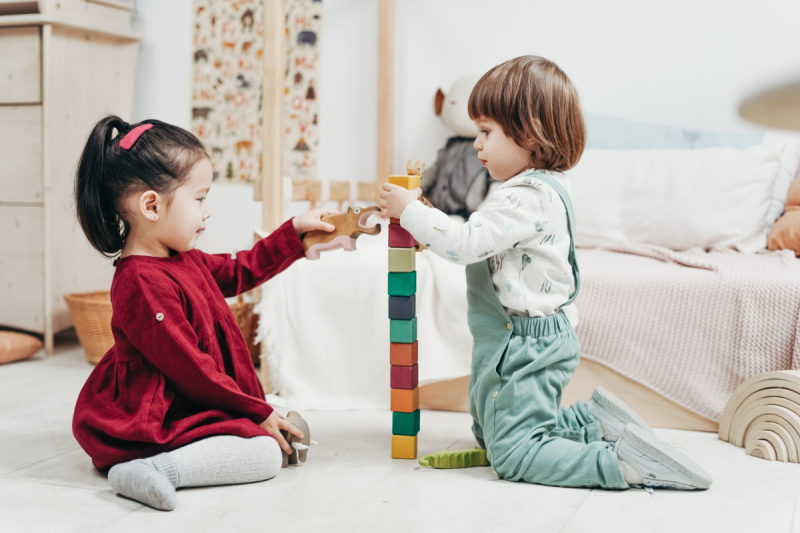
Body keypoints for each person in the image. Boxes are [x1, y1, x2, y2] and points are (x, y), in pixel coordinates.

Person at [379, 56, 712, 491]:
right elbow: (483, 236)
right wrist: (427, 218)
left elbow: (464, 244)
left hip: (524, 343)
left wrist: (410, 214)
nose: (476, 144)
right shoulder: (540, 187)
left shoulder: (523, 198)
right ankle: (588, 420)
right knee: (490, 424)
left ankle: (623, 464)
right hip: (520, 336)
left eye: (485, 132)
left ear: (529, 134)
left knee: (515, 453)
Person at [71, 116, 336, 510]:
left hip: (192, 397)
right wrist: (257, 412)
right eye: (199, 199)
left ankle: (200, 451)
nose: (207, 212)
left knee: (266, 437)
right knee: (264, 455)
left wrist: (294, 233)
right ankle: (156, 469)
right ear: (151, 205)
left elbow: (237, 270)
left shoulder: (181, 257)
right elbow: (190, 367)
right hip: (157, 414)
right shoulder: (141, 282)